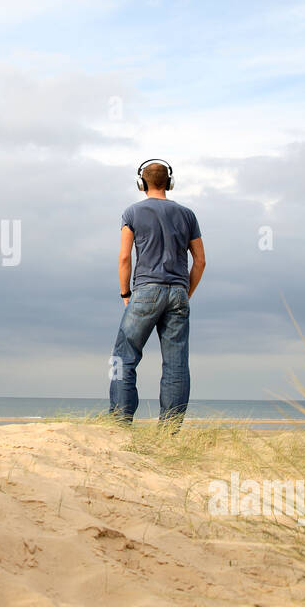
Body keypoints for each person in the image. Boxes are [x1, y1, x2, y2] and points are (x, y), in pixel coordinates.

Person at [108, 158, 205, 431]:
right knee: (176, 364)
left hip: (145, 290)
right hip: (178, 292)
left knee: (123, 358)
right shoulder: (188, 215)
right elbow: (200, 261)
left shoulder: (132, 212)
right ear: (169, 183)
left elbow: (125, 257)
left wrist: (125, 293)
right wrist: (185, 291)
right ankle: (169, 431)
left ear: (142, 183)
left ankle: (120, 425)